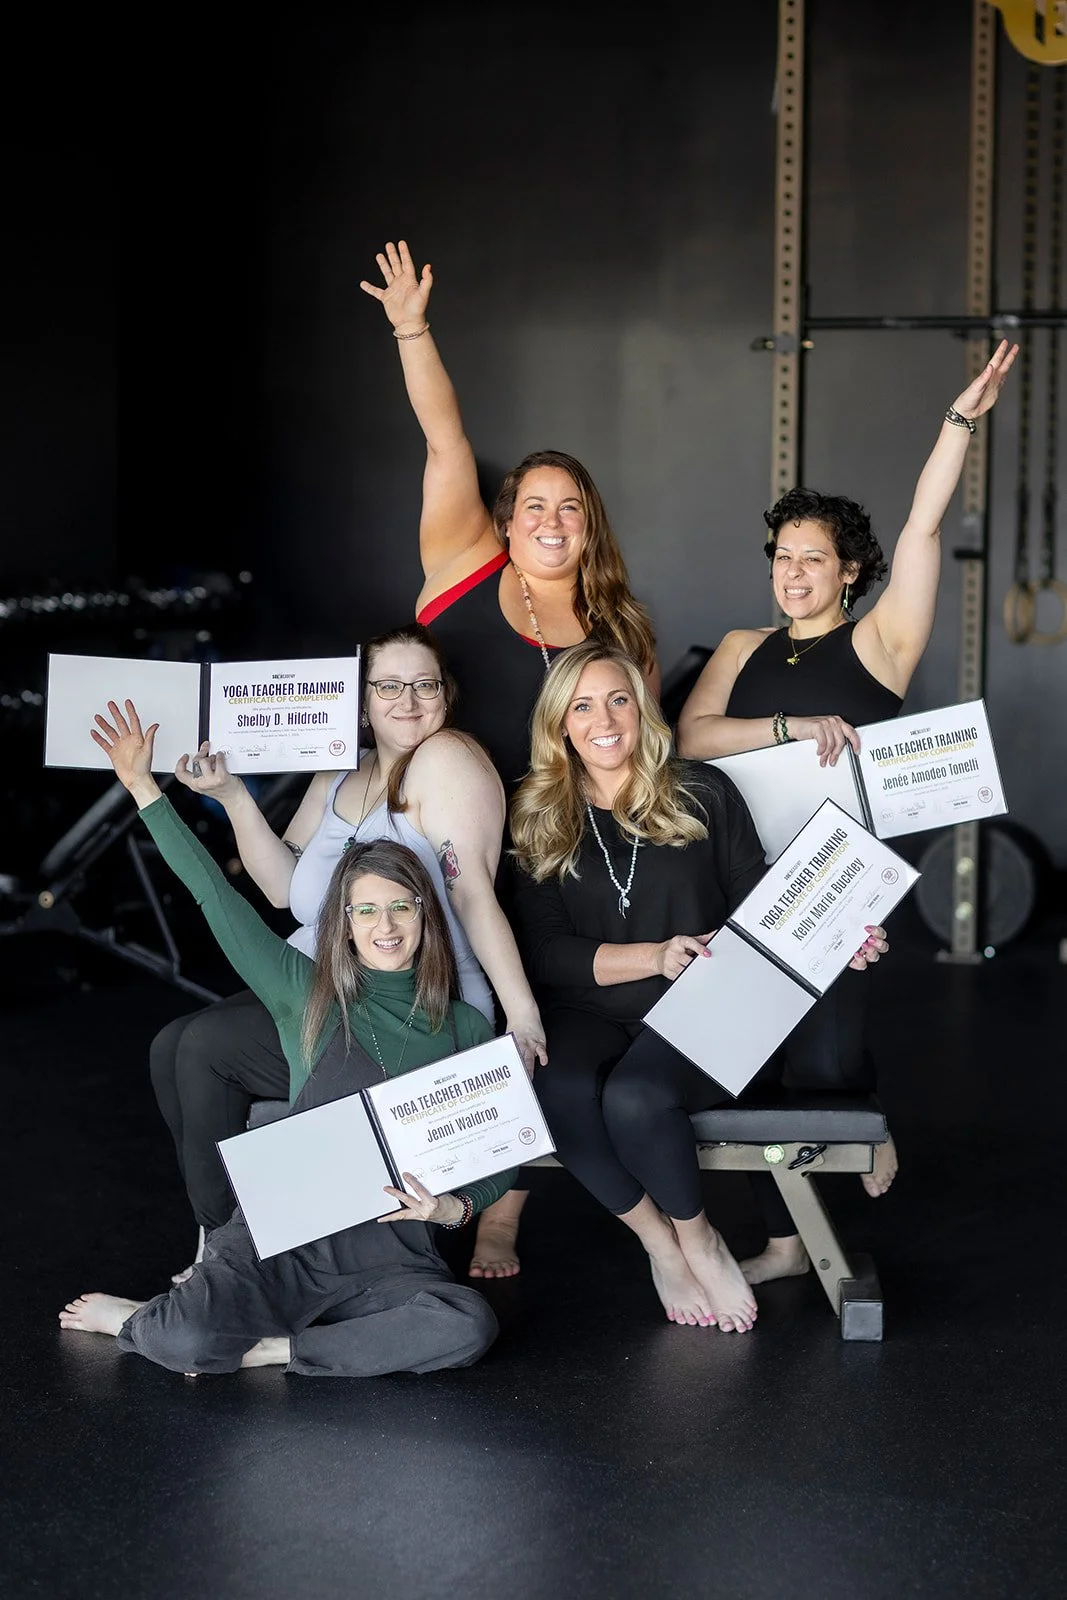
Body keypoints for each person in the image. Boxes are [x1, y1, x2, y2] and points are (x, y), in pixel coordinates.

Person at [675, 340, 1018, 1279]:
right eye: (782, 556)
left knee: (821, 1063)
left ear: (848, 570)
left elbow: (919, 531)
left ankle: (856, 1140)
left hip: (828, 891)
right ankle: (786, 1245)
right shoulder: (745, 645)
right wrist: (789, 725)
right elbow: (692, 738)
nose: (791, 574)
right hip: (732, 883)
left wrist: (956, 424)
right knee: (739, 1065)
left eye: (811, 560)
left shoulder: (881, 645)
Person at [360, 238, 662, 1277]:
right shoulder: (459, 560)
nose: (547, 519)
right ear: (505, 517)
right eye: (531, 502)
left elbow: (629, 751)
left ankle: (500, 1203)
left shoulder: (614, 622)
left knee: (523, 1020)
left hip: (538, 850)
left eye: (567, 508)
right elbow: (442, 432)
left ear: (589, 529)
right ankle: (391, 1200)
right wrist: (411, 325)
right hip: (430, 826)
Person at [59, 701, 508, 1379]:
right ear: (345, 925)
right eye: (364, 911)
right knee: (181, 1343)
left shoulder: (465, 1025)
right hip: (283, 1245)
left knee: (467, 1323)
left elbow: (499, 1149)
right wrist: (144, 789)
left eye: (398, 907)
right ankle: (146, 1319)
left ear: (424, 914)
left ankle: (277, 1350)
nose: (383, 926)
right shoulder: (310, 992)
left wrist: (454, 1207)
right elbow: (218, 897)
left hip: (392, 1259)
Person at [506, 642, 886, 1333]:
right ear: (560, 722)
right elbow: (546, 952)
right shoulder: (534, 814)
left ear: (642, 708)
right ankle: (662, 1242)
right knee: (554, 1087)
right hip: (591, 1006)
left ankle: (700, 1234)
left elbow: (761, 906)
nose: (604, 719)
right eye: (583, 705)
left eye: (618, 699)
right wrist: (651, 957)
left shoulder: (702, 790)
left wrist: (839, 943)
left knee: (635, 1096)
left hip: (705, 1008)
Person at [149, 623, 545, 1276]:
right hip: (323, 990)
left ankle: (228, 1259)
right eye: (388, 685)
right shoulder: (341, 765)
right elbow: (283, 889)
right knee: (172, 1046)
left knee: (204, 1051)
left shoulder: (447, 758)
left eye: (425, 684)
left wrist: (520, 1018)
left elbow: (472, 892)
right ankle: (231, 1235)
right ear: (359, 697)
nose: (408, 701)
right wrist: (230, 796)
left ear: (447, 693)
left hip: (408, 1006)